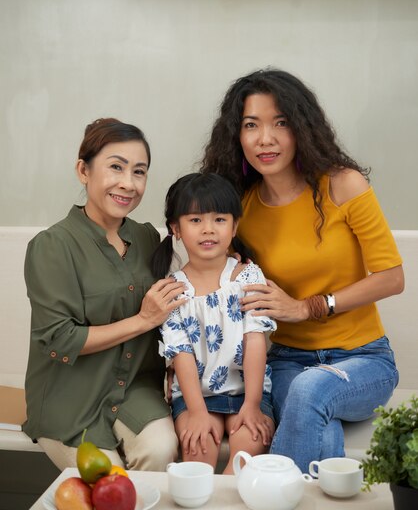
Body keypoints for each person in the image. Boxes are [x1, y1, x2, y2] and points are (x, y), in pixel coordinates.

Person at [200, 68, 404, 473]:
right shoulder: (242, 210)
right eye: (251, 125)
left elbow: (392, 278)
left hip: (363, 359)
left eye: (281, 123)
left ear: (302, 129)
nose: (265, 139)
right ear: (237, 136)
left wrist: (307, 307)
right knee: (314, 413)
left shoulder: (343, 185)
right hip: (289, 361)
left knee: (311, 390)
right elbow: (216, 286)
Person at [23, 118, 187, 471]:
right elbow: (60, 339)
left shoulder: (147, 238)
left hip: (135, 390)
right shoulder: (53, 246)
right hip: (70, 398)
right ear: (84, 170)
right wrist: (143, 319)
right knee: (108, 481)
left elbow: (174, 308)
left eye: (139, 172)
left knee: (161, 451)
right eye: (116, 167)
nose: (128, 184)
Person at [151, 172, 276, 474]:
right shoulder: (172, 290)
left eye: (219, 220)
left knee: (246, 453)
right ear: (175, 228)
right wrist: (195, 411)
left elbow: (256, 340)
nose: (208, 229)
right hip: (195, 397)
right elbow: (181, 355)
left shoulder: (247, 277)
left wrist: (253, 403)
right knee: (198, 455)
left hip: (246, 392)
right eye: (195, 220)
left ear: (234, 226)